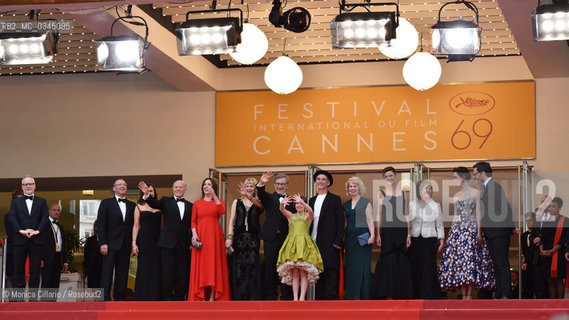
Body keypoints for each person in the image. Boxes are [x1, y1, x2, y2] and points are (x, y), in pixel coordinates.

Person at [439, 167, 494, 299]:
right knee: (460, 262)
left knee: (470, 261)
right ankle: (463, 294)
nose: (454, 180)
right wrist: (451, 233)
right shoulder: (456, 196)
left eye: (455, 177)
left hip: (471, 229)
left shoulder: (476, 193)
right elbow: (456, 215)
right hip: (458, 230)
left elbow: (479, 213)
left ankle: (469, 294)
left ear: (463, 177)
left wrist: (479, 232)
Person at [139, 180, 192, 300]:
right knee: (167, 274)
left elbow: (192, 225)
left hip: (184, 245)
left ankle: (179, 299)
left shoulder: (191, 205)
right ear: (173, 189)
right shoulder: (165, 201)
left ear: (185, 189)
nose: (178, 189)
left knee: (181, 274)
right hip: (167, 244)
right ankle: (167, 300)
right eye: (176, 187)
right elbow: (152, 203)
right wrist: (146, 194)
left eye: (181, 187)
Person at [473, 161, 516, 299]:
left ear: (483, 173)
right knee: (497, 265)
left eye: (475, 174)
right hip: (492, 233)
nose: (474, 177)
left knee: (502, 264)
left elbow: (505, 207)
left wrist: (510, 227)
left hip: (498, 232)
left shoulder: (494, 187)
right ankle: (499, 293)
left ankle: (505, 294)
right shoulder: (487, 188)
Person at [373, 167, 412, 299]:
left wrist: (408, 234)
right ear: (384, 178)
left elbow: (406, 214)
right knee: (388, 258)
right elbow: (379, 215)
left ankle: (400, 294)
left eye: (391, 176)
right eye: (386, 176)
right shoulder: (381, 193)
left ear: (395, 176)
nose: (389, 178)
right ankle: (388, 294)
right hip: (388, 229)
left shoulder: (404, 193)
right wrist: (378, 234)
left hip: (401, 229)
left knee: (401, 258)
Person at [189, 177, 230, 301]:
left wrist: (215, 196)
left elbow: (221, 211)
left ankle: (212, 296)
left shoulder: (219, 201)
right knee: (202, 266)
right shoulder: (197, 203)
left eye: (209, 184)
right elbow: (193, 221)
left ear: (214, 188)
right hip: (201, 235)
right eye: (205, 184)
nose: (206, 186)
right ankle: (201, 296)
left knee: (214, 264)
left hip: (215, 236)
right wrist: (194, 235)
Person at [8, 175, 49, 300]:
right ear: (22, 187)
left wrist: (37, 231)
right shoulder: (15, 202)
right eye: (25, 184)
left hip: (36, 240)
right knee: (19, 270)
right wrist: (20, 230)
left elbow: (44, 217)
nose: (28, 186)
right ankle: (18, 299)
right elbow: (12, 217)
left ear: (35, 185)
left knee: (35, 270)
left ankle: (33, 299)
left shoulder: (42, 201)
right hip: (20, 240)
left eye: (30, 184)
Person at [277, 194, 323, 301]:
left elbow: (311, 211)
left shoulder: (308, 216)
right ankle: (295, 298)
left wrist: (303, 202)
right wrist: (282, 204)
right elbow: (282, 210)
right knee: (295, 273)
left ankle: (302, 297)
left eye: (300, 203)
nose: (298, 205)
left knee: (303, 273)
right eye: (297, 203)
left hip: (304, 244)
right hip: (292, 244)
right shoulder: (291, 216)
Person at [256, 172, 294, 300]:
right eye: (277, 184)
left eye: (282, 184)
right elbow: (260, 193)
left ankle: (285, 296)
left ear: (287, 186)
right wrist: (261, 183)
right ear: (274, 184)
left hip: (286, 238)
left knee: (286, 267)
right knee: (270, 267)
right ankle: (270, 297)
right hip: (270, 238)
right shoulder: (268, 198)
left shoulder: (292, 200)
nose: (280, 186)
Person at [97, 178, 135, 301]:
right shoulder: (106, 203)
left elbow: (134, 226)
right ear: (114, 188)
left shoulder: (132, 205)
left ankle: (120, 298)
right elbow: (101, 224)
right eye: (119, 185)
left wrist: (133, 244)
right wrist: (103, 243)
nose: (122, 186)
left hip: (125, 244)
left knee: (123, 273)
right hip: (110, 244)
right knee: (107, 273)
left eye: (124, 185)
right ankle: (105, 298)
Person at [225, 178, 264, 300]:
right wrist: (229, 237)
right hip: (239, 239)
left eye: (251, 186)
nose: (249, 188)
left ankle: (253, 297)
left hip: (253, 240)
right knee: (239, 269)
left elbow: (261, 207)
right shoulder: (237, 202)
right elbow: (231, 221)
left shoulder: (259, 202)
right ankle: (239, 297)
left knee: (253, 269)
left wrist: (248, 196)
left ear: (255, 188)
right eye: (247, 186)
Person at [309, 170, 344, 300]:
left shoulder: (335, 199)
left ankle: (330, 303)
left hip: (330, 242)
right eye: (318, 179)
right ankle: (318, 303)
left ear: (328, 183)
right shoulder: (311, 200)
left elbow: (340, 221)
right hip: (313, 242)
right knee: (317, 274)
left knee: (330, 272)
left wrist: (339, 239)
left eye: (323, 179)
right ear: (315, 182)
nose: (320, 181)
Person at [408, 180, 444, 299]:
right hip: (415, 240)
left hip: (429, 240)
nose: (428, 190)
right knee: (415, 267)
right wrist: (408, 236)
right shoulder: (412, 204)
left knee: (428, 269)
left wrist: (441, 241)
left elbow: (439, 225)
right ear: (419, 190)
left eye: (430, 188)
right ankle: (415, 296)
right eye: (426, 188)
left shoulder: (435, 205)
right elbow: (408, 223)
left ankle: (427, 296)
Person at [343, 176, 374, 300]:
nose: (352, 188)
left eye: (355, 186)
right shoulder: (345, 204)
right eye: (350, 186)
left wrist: (372, 236)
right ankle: (351, 296)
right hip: (350, 239)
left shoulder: (365, 202)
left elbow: (370, 220)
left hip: (363, 237)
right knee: (351, 268)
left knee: (362, 267)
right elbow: (344, 223)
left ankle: (363, 296)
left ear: (359, 187)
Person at [532, 197, 568, 299]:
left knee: (558, 280)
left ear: (559, 208)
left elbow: (563, 239)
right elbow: (541, 237)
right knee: (550, 280)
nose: (551, 208)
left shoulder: (565, 220)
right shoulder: (546, 221)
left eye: (554, 206)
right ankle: (553, 307)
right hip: (546, 254)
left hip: (558, 253)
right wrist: (542, 251)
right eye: (550, 206)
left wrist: (552, 251)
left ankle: (560, 307)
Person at [131, 183, 162, 301]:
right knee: (144, 267)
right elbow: (136, 225)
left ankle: (156, 296)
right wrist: (134, 243)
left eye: (152, 191)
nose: (149, 192)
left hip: (158, 240)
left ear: (155, 193)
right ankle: (142, 296)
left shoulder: (160, 207)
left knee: (157, 268)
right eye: (147, 190)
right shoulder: (138, 206)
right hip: (144, 239)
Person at [40, 203, 68, 301]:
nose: (56, 212)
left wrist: (65, 261)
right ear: (48, 211)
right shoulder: (43, 225)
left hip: (58, 258)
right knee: (46, 283)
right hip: (46, 259)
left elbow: (63, 245)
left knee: (55, 284)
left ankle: (52, 307)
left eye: (58, 210)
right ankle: (44, 307)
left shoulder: (60, 226)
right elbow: (39, 243)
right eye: (54, 210)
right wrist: (40, 258)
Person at [3, 189, 23, 290]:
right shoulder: (8, 216)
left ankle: (19, 300)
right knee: (11, 275)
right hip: (12, 250)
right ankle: (9, 301)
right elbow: (12, 233)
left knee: (21, 276)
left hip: (24, 250)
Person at [83, 220, 103, 289]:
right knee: (92, 287)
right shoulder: (90, 240)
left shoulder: (106, 241)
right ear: (95, 228)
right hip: (92, 268)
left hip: (102, 268)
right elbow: (86, 254)